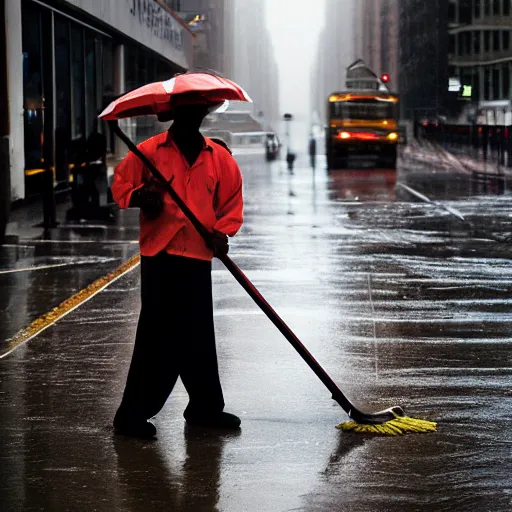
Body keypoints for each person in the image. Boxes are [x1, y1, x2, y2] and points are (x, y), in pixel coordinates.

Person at [110, 100, 244, 439]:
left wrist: (222, 232)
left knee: (198, 333)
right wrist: (144, 197)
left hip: (197, 256)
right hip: (160, 255)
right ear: (174, 114)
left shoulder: (219, 158)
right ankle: (131, 415)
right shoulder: (148, 152)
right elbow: (121, 186)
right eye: (185, 110)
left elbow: (231, 201)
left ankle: (204, 407)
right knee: (157, 335)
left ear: (203, 115)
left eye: (197, 110)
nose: (191, 115)